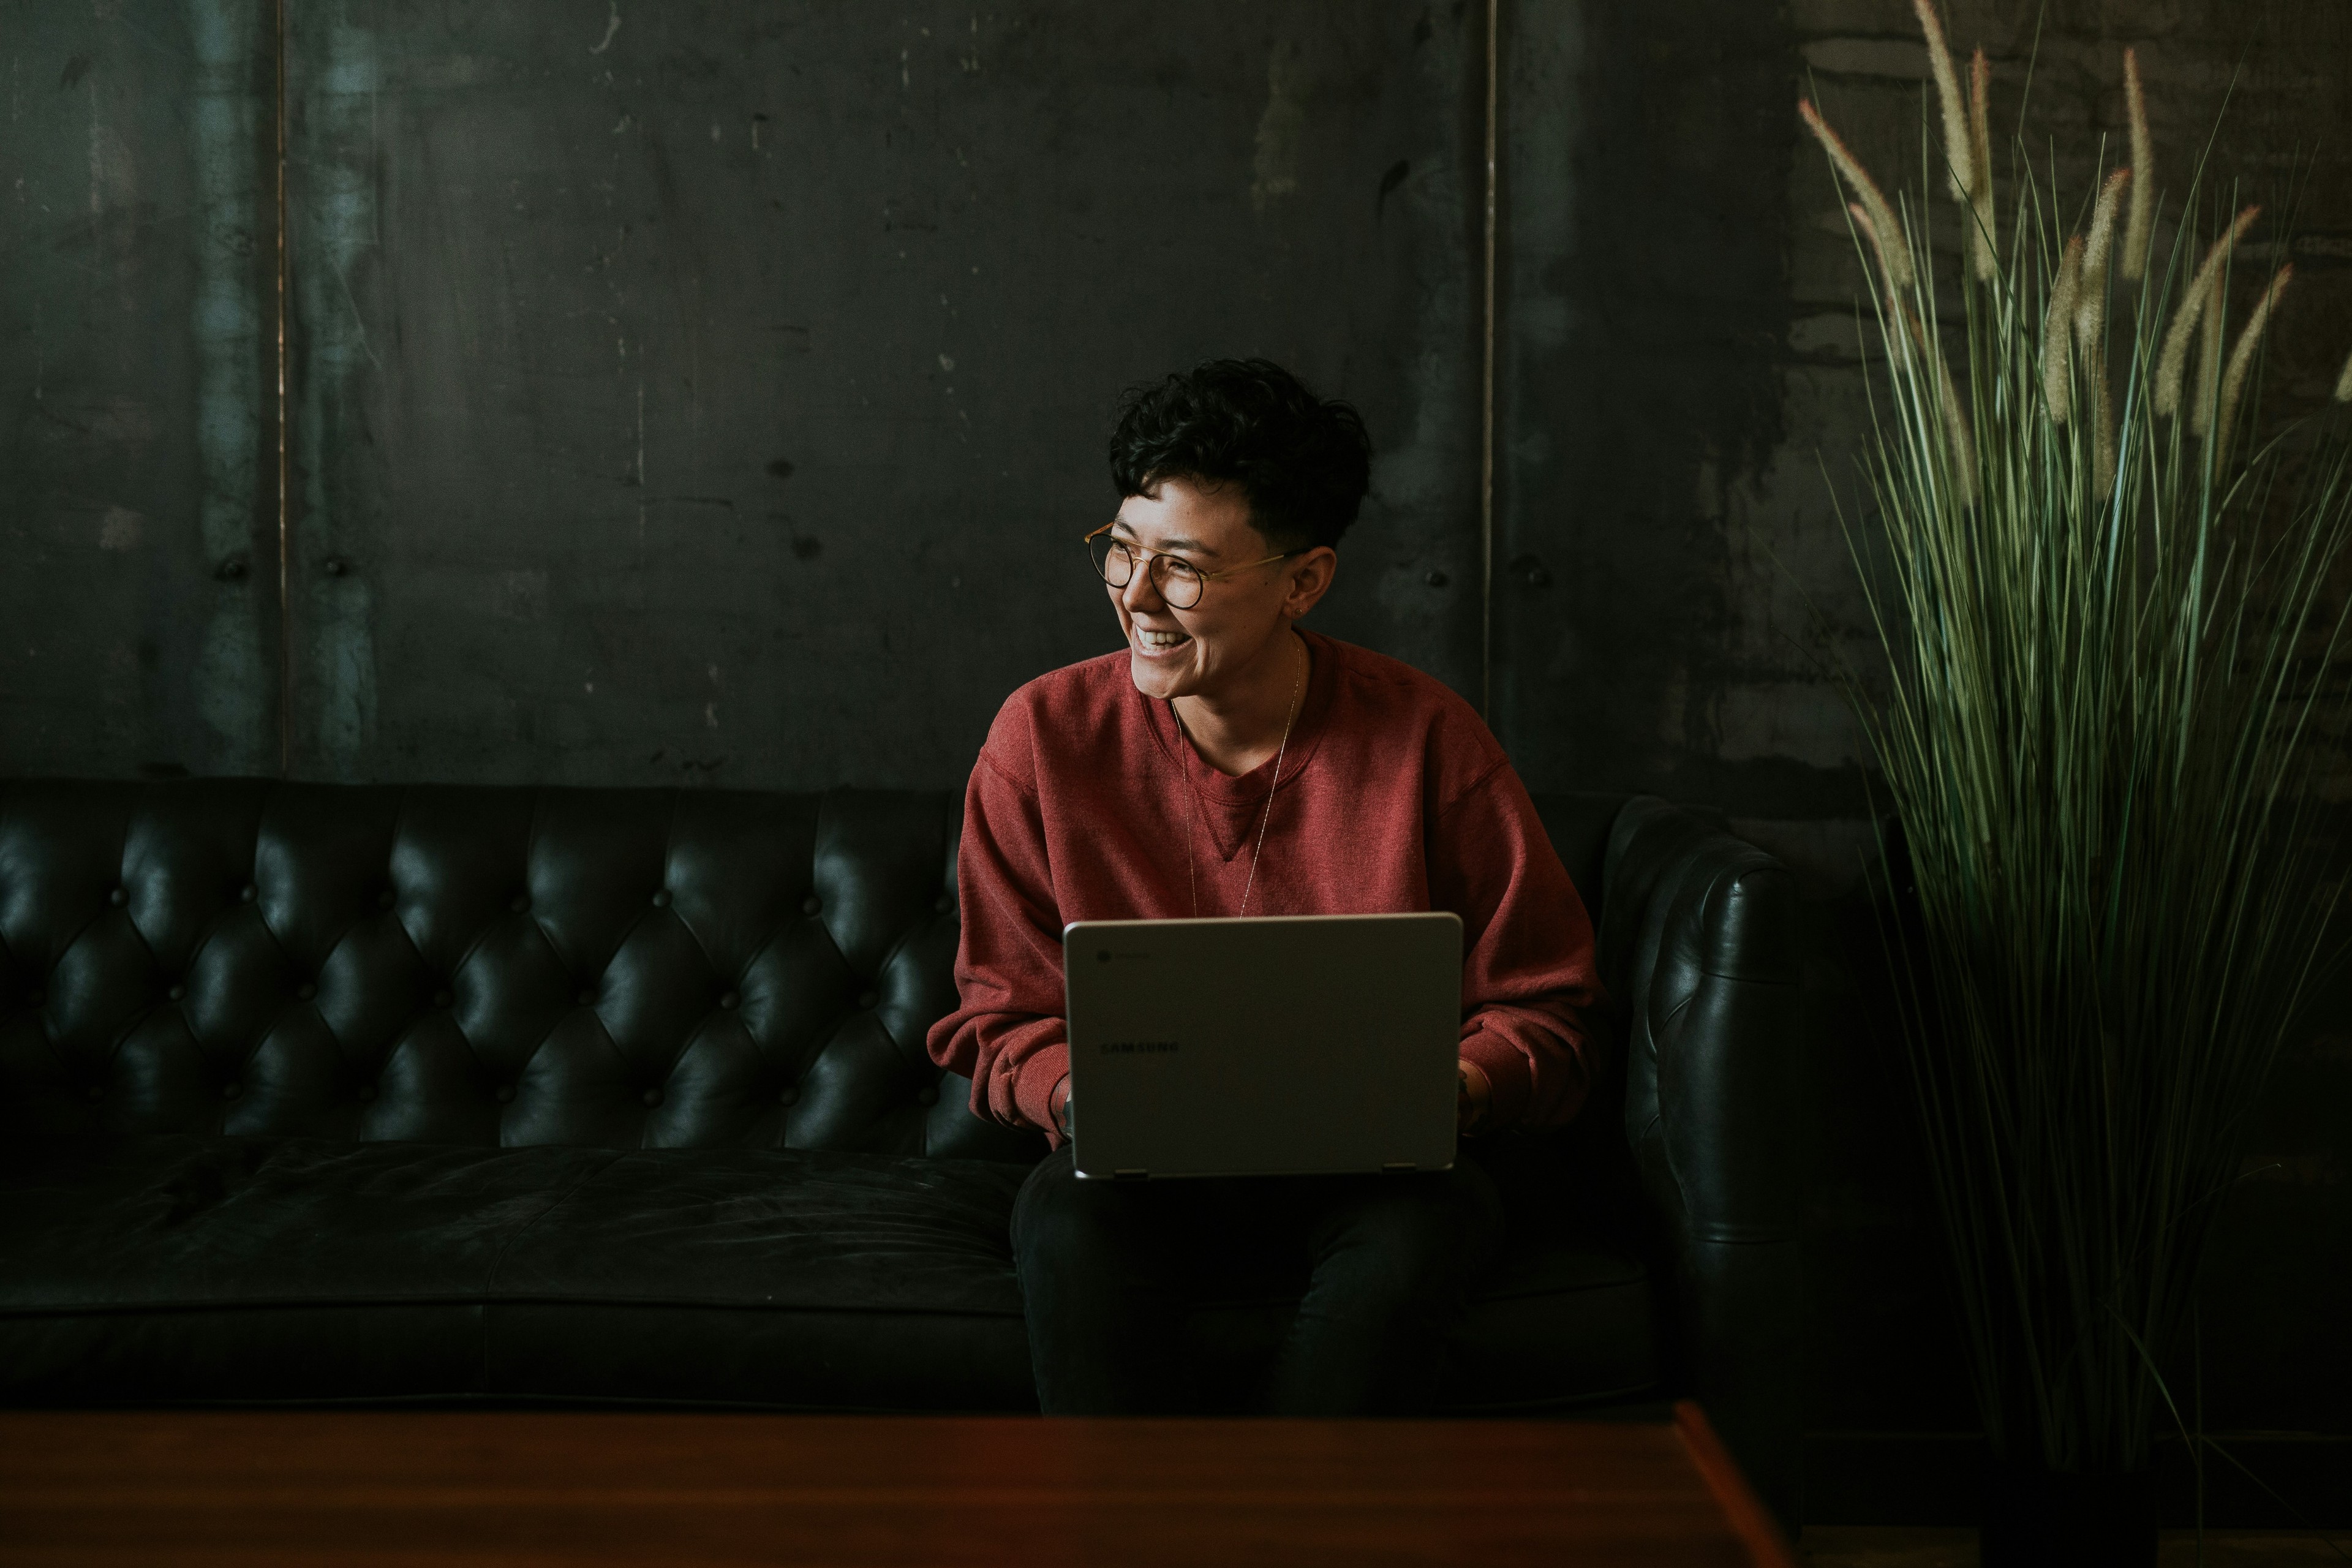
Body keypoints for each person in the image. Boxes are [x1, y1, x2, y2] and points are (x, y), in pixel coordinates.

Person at [926, 358, 1604, 1415]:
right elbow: (998, 1014)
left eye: (1183, 567)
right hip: (1132, 1180)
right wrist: (1075, 1094)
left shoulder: (1426, 738)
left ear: (1304, 581)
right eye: (1122, 550)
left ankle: (1290, 1526)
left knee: (1428, 1228)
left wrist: (1455, 1090)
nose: (1139, 597)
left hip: (1379, 1178)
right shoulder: (1043, 738)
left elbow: (1546, 1006)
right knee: (1065, 1221)